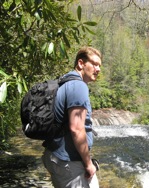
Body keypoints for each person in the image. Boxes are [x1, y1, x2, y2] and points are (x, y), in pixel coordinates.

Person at [42, 46, 102, 188]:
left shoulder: (64, 82)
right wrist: (88, 164)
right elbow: (76, 128)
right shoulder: (78, 86)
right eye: (94, 64)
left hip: (55, 156)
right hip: (68, 163)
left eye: (99, 66)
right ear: (81, 64)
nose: (98, 69)